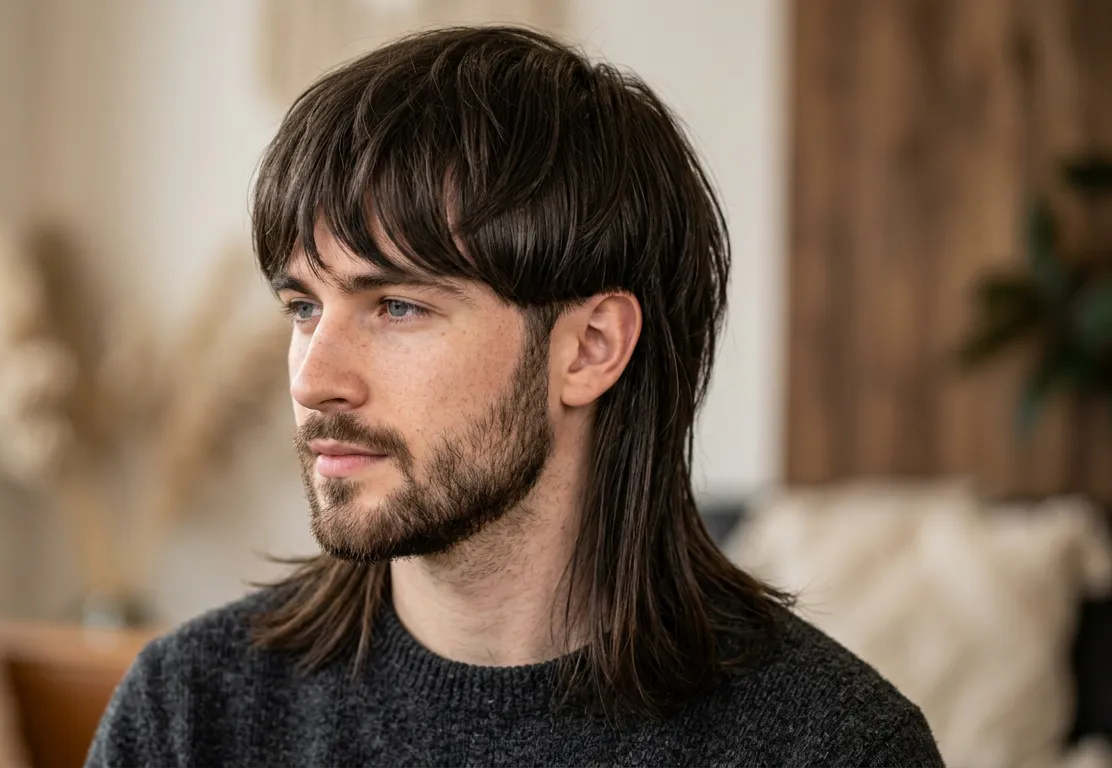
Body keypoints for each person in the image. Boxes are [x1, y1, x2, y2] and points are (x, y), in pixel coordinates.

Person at [87, 25, 943, 767]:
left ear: (590, 348)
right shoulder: (189, 714)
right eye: (305, 307)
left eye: (397, 306)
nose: (314, 379)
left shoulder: (832, 747)